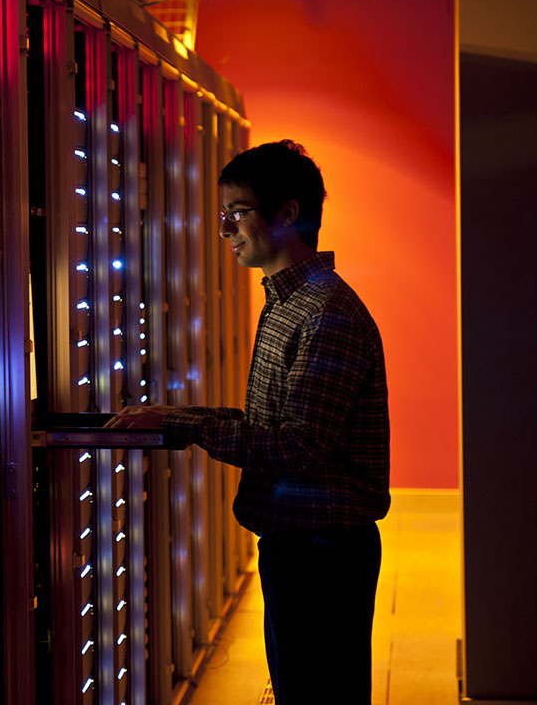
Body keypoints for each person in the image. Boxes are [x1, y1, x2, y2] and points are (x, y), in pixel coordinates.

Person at [107, 139, 390, 704]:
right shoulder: (288, 302)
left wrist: (187, 427)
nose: (227, 231)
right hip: (302, 540)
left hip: (322, 549)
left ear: (286, 214)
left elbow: (297, 447)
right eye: (223, 217)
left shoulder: (323, 313)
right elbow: (272, 424)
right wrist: (175, 416)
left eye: (236, 214)